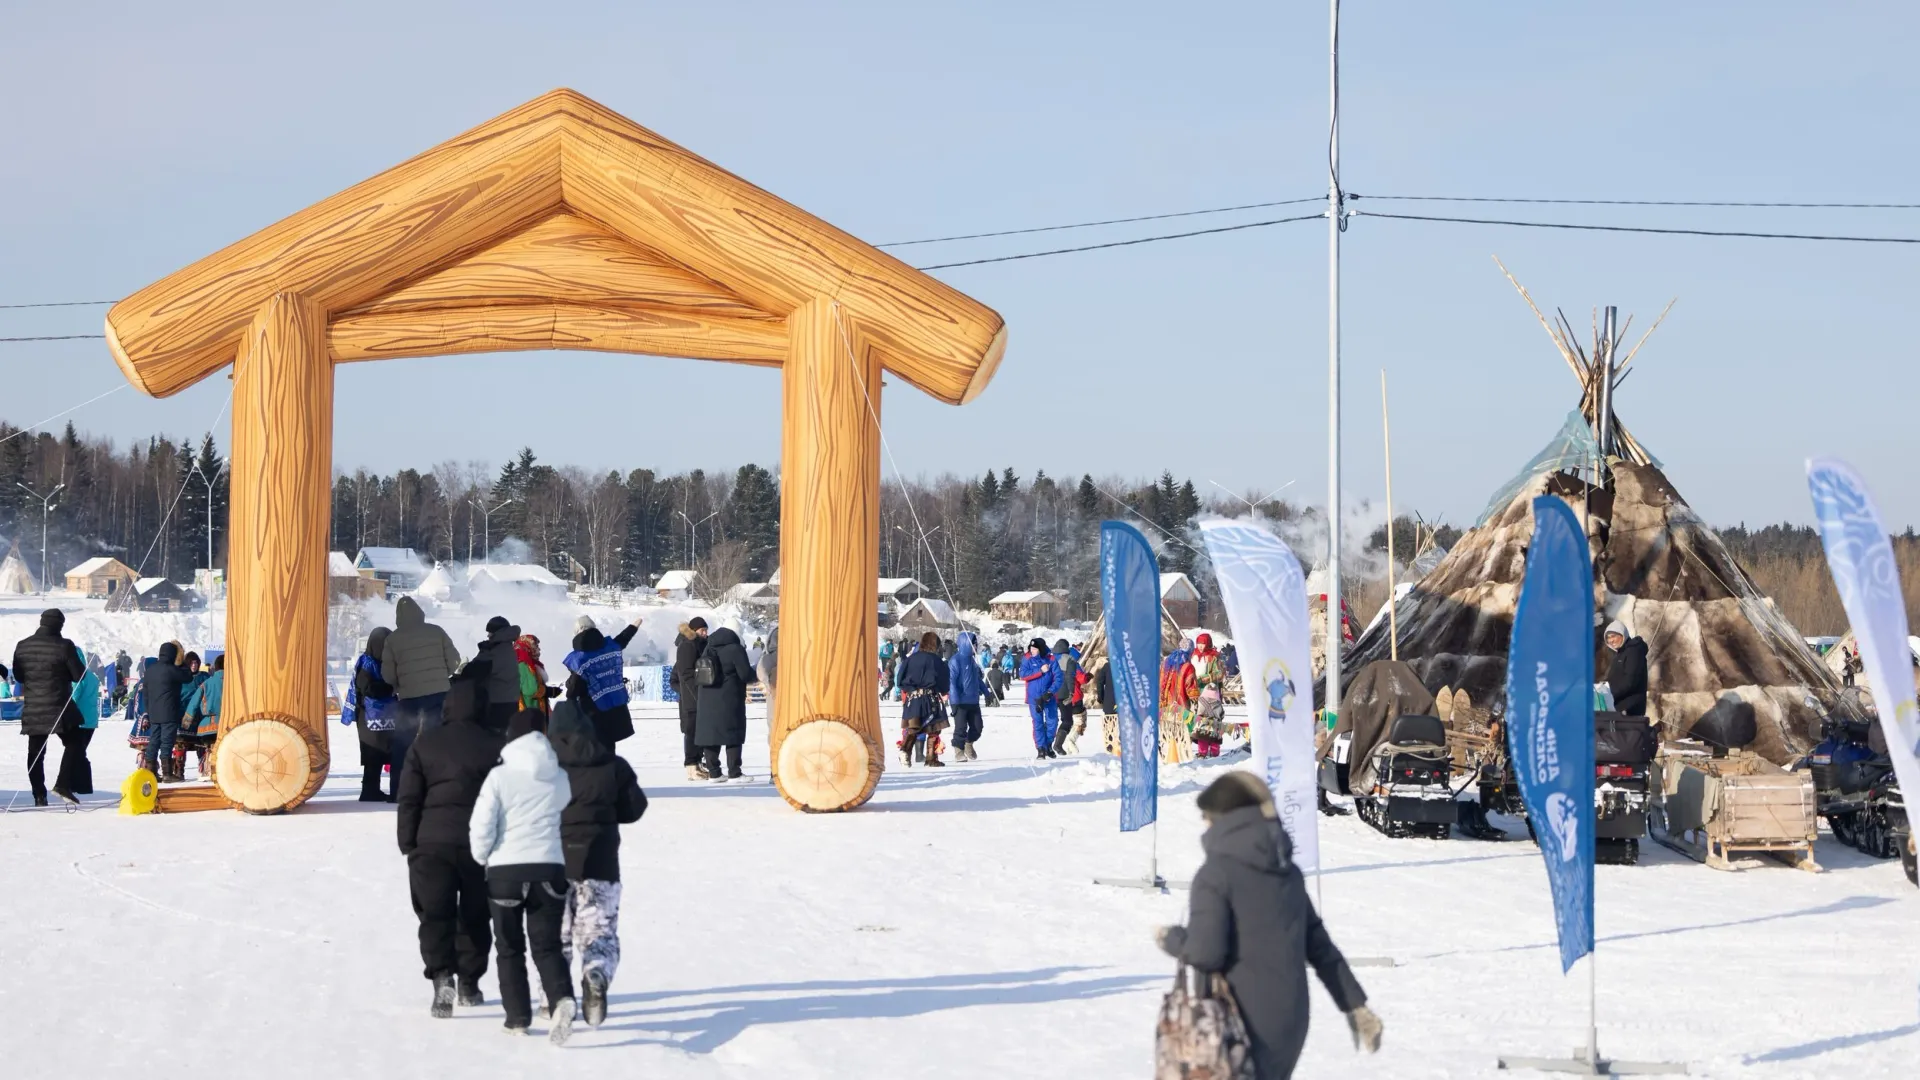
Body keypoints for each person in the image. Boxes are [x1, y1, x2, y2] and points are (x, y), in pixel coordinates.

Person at [1156, 771, 1383, 1078]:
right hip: (1291, 1022)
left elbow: (1205, 953)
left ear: (1224, 819)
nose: (1205, 824)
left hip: (1241, 1021)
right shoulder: (1287, 872)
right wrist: (1355, 1005)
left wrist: (1172, 939)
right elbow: (1320, 947)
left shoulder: (1216, 875)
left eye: (1207, 817)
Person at [396, 671, 503, 1020]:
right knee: (475, 914)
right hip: (480, 846)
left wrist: (408, 842)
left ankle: (442, 975)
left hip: (432, 843)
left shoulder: (425, 744)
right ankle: (470, 983)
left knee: (435, 914)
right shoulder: (495, 744)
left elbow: (410, 798)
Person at [470, 709, 576, 1043]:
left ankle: (517, 1017)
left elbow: (483, 823)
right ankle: (560, 1000)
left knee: (509, 948)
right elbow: (564, 806)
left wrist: (482, 856)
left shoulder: (499, 777)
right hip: (550, 868)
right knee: (547, 946)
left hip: (505, 870)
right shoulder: (557, 774)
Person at [548, 701, 646, 1029]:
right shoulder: (612, 764)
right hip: (602, 864)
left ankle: (553, 997)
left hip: (553, 866)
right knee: (599, 931)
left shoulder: (544, 768)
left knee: (553, 936)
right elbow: (634, 808)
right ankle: (596, 973)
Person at [382, 595, 464, 792]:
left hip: (409, 696)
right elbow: (455, 660)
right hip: (438, 694)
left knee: (403, 743)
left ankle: (398, 791)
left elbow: (387, 674)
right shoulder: (437, 632)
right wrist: (442, 675)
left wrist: (399, 684)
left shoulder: (393, 639)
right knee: (435, 740)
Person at [11, 610, 86, 806]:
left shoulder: (22, 645)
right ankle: (62, 784)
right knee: (75, 743)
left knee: (35, 753)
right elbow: (79, 676)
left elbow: (19, 677)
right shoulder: (65, 646)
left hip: (33, 707)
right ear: (60, 625)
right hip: (59, 707)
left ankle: (39, 795)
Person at [562, 615, 643, 748]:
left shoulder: (579, 658)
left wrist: (568, 687)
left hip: (592, 712)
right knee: (609, 750)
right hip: (615, 710)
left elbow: (575, 688)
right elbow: (622, 639)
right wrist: (633, 627)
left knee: (595, 754)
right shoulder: (609, 647)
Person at [694, 624, 758, 781]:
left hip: (706, 699)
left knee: (711, 735)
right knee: (733, 734)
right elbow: (745, 675)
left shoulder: (708, 648)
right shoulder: (735, 649)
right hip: (730, 698)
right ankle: (734, 772)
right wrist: (756, 672)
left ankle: (714, 772)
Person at [346, 629, 399, 801]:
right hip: (369, 717)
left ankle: (377, 790)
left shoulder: (383, 663)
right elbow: (368, 689)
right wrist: (392, 687)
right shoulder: (367, 664)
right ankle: (369, 790)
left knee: (388, 752)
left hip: (384, 716)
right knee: (373, 753)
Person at [55, 648, 103, 802]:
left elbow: (73, 698)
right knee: (79, 752)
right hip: (91, 721)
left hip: (79, 720)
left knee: (74, 751)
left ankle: (70, 784)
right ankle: (80, 785)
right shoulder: (93, 677)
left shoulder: (78, 677)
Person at [898, 631, 951, 767]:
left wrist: (909, 690)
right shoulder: (937, 661)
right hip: (930, 697)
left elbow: (900, 680)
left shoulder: (910, 659)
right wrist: (943, 690)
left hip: (912, 699)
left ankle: (905, 751)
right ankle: (930, 758)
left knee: (914, 726)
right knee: (934, 728)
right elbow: (944, 683)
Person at [141, 642, 192, 783]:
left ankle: (151, 772)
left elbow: (145, 694)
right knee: (167, 742)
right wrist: (181, 662)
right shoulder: (171, 670)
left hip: (154, 713)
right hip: (169, 712)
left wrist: (148, 711)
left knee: (154, 741)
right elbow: (188, 677)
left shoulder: (150, 671)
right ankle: (167, 774)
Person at [672, 619, 709, 779]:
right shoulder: (687, 646)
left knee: (700, 732)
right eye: (702, 630)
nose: (705, 633)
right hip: (692, 698)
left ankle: (698, 764)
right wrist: (696, 693)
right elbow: (686, 674)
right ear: (693, 630)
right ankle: (692, 767)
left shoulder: (699, 644)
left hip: (699, 696)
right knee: (692, 732)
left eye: (706, 630)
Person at [475, 616, 526, 734]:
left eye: (490, 633)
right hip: (511, 703)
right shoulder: (508, 648)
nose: (488, 636)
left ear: (497, 633)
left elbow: (473, 671)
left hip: (496, 705)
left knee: (493, 741)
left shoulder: (494, 652)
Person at [181, 654, 225, 781]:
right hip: (227, 725)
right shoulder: (234, 683)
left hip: (206, 727)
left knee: (209, 747)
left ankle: (207, 768)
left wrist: (186, 721)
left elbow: (193, 704)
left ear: (215, 667)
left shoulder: (206, 684)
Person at [1019, 638, 1062, 760]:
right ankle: (1041, 749)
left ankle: (1048, 744)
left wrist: (1050, 692)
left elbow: (1058, 678)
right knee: (1037, 723)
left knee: (1052, 722)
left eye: (1034, 649)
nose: (1031, 651)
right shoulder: (1027, 658)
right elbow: (1023, 674)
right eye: (1030, 648)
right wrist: (1040, 671)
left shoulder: (1051, 659)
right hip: (1034, 698)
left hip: (1049, 697)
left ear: (1041, 649)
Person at [948, 631, 988, 762]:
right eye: (974, 644)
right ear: (967, 644)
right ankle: (958, 751)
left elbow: (977, 679)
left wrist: (987, 693)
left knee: (978, 727)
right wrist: (954, 702)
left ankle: (968, 743)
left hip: (973, 700)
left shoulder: (972, 661)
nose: (976, 647)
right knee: (960, 728)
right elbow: (952, 682)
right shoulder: (955, 660)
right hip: (960, 701)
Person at [1189, 633, 1228, 758]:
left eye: (1203, 643)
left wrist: (1205, 678)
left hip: (1212, 695)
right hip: (1197, 695)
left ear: (1208, 643)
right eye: (1199, 643)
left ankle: (1215, 750)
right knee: (1200, 723)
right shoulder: (1193, 656)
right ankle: (1202, 751)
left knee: (1214, 722)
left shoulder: (1214, 657)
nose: (1200, 646)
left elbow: (1220, 674)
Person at [1604, 620, 1649, 717]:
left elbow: (1630, 682)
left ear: (1622, 634)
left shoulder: (1634, 651)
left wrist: (1609, 694)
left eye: (1613, 636)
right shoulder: (1620, 654)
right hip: (1619, 705)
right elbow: (1614, 680)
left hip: (1630, 708)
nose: (1611, 640)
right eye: (1608, 638)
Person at [1052, 637, 1084, 757]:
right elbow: (1070, 677)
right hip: (1064, 694)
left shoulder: (1050, 659)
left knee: (1051, 720)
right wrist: (1071, 692)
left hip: (1051, 693)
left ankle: (1045, 746)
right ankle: (1058, 745)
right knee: (1067, 720)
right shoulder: (1069, 660)